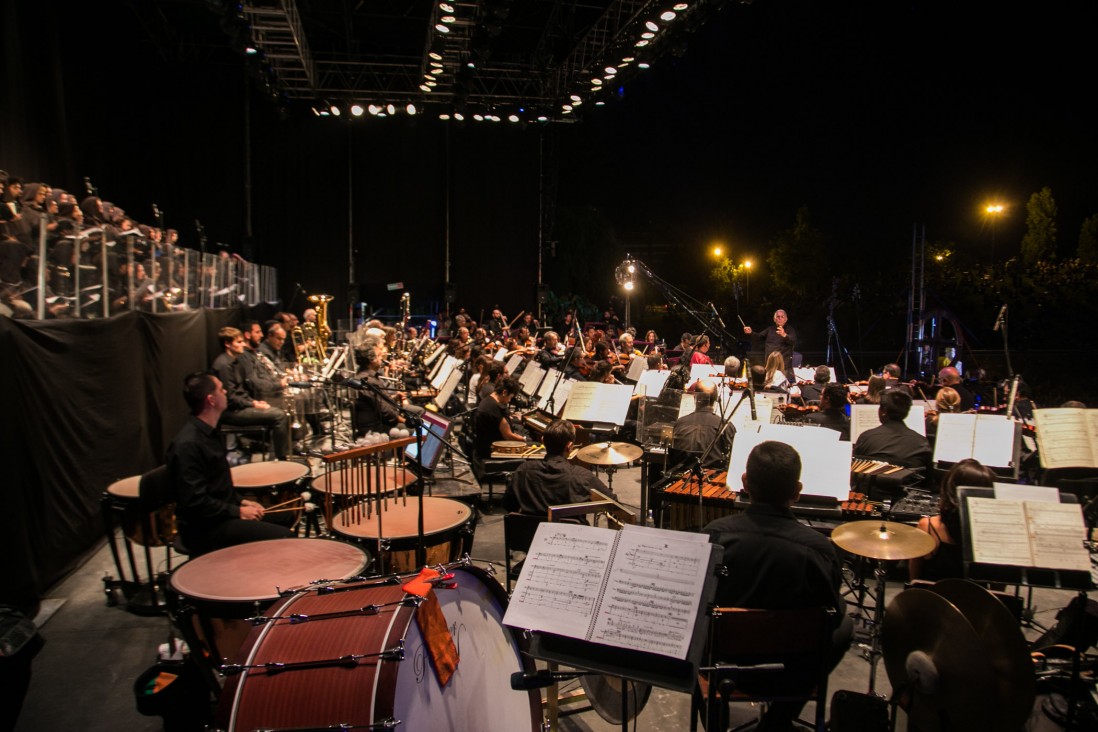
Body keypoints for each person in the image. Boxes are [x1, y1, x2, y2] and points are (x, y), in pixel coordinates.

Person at [704, 441, 852, 730]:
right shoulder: (820, 549)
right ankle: (779, 719)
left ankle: (713, 718)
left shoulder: (715, 537)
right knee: (843, 625)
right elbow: (829, 614)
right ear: (797, 491)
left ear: (745, 482)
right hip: (792, 670)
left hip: (724, 666)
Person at [165, 372, 292, 556]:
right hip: (204, 527)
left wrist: (242, 500)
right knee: (286, 537)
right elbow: (196, 503)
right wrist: (238, 511)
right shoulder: (187, 445)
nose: (225, 391)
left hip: (221, 513)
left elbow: (219, 486)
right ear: (211, 400)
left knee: (287, 515)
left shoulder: (210, 432)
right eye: (220, 389)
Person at [909, 459, 996, 580]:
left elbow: (915, 581)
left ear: (949, 489)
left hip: (933, 598)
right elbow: (998, 585)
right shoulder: (994, 534)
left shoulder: (928, 526)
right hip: (976, 598)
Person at [211, 326, 291, 458]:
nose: (243, 344)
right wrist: (253, 404)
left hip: (240, 406)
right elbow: (231, 398)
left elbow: (240, 392)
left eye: (242, 341)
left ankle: (277, 453)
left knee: (281, 408)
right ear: (227, 344)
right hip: (231, 412)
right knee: (279, 416)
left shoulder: (234, 362)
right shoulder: (224, 365)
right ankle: (282, 457)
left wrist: (254, 401)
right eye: (239, 342)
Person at [504, 419, 611, 516]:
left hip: (531, 535)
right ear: (569, 446)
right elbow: (613, 503)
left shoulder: (523, 470)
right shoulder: (583, 476)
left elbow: (508, 504)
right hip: (570, 535)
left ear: (543, 441)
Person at [853, 390, 932, 474]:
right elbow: (929, 478)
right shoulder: (922, 442)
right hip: (908, 485)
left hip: (874, 486)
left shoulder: (866, 437)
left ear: (884, 411)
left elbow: (853, 470)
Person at [671, 380, 735, 469]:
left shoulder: (679, 422)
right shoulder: (725, 426)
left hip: (681, 476)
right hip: (711, 477)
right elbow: (733, 457)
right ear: (716, 398)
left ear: (695, 397)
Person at [473, 375, 525, 459]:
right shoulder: (495, 408)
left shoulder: (487, 400)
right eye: (510, 397)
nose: (509, 400)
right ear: (504, 392)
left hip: (482, 448)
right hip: (492, 452)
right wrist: (524, 440)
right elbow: (508, 436)